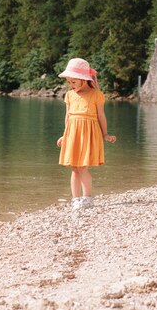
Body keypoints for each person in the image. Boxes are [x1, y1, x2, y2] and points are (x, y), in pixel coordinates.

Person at [56, 58, 116, 210]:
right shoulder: (69, 95)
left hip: (89, 132)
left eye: (73, 82)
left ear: (83, 79)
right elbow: (68, 117)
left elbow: (101, 116)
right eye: (69, 82)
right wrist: (65, 135)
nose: (70, 85)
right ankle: (75, 199)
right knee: (74, 168)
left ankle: (87, 198)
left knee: (83, 168)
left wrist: (105, 134)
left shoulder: (96, 94)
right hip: (72, 132)